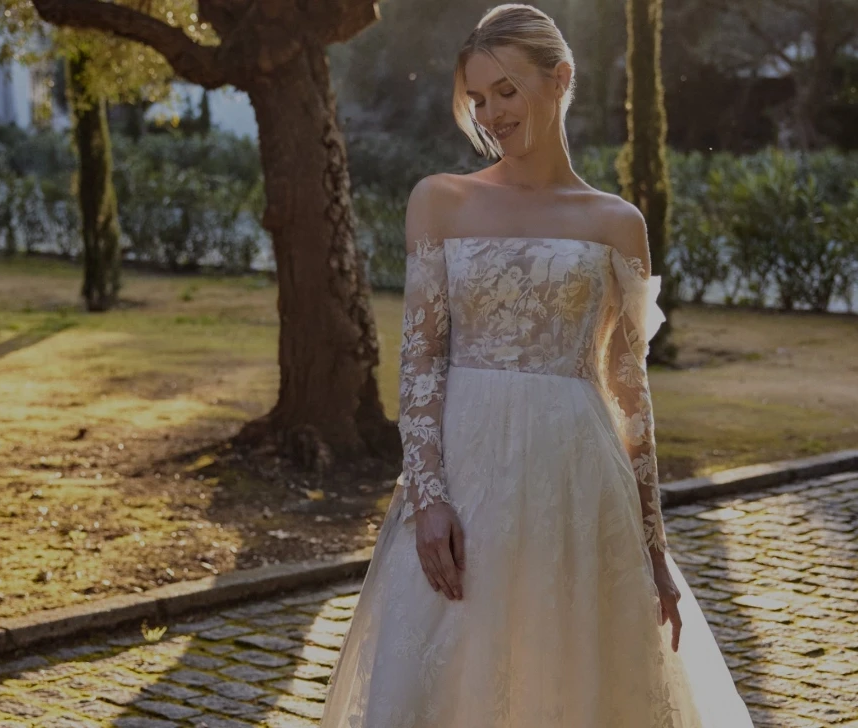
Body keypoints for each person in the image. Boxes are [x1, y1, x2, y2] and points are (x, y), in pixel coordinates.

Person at [319, 5, 754, 727]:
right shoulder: (440, 201)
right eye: (478, 99)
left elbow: (627, 392)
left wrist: (652, 550)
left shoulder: (616, 223)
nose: (491, 113)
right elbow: (421, 360)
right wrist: (428, 499)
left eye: (505, 91)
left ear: (560, 79)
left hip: (579, 487)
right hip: (467, 476)